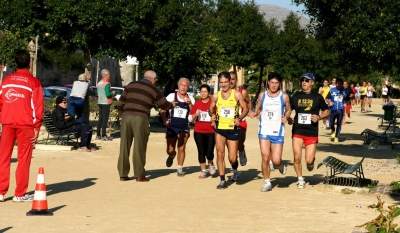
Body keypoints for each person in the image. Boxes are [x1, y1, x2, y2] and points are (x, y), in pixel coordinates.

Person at [0, 50, 44, 202]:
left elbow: (0, 102)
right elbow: (38, 106)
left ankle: (0, 192)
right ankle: (19, 194)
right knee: (23, 159)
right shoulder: (34, 82)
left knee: (3, 158)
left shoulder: (6, 81)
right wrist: (37, 128)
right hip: (26, 125)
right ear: (29, 63)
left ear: (16, 63)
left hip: (7, 123)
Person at [117, 70, 175, 182]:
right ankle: (140, 175)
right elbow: (163, 104)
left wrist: (121, 115)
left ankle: (123, 174)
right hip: (141, 117)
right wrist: (171, 105)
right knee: (139, 146)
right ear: (153, 79)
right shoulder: (153, 89)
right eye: (155, 80)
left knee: (124, 145)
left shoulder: (131, 85)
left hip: (126, 116)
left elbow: (120, 102)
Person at [248, 72, 291, 192]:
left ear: (279, 84)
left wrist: (286, 117)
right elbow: (258, 109)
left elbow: (288, 110)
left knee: (276, 160)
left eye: (276, 83)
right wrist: (254, 113)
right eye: (272, 82)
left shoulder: (284, 97)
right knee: (265, 157)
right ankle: (267, 182)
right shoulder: (262, 95)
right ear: (268, 83)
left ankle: (281, 165)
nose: (273, 85)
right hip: (264, 130)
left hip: (277, 131)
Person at [288, 73, 330, 189]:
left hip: (311, 132)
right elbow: (288, 110)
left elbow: (327, 111)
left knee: (309, 159)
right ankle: (300, 179)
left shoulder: (317, 97)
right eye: (302, 80)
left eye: (307, 80)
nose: (304, 82)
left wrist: (319, 117)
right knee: (297, 157)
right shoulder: (296, 96)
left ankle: (311, 162)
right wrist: (289, 118)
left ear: (312, 82)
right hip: (298, 130)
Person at [209, 71, 248, 189]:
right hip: (220, 128)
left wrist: (239, 118)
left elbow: (245, 109)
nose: (224, 84)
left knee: (232, 158)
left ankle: (235, 166)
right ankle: (222, 180)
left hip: (233, 128)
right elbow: (211, 109)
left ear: (230, 81)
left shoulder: (236, 95)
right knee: (220, 153)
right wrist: (213, 115)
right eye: (221, 82)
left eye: (226, 82)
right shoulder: (216, 95)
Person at [162, 78, 195, 176]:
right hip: (172, 126)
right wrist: (164, 119)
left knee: (181, 148)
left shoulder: (191, 98)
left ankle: (180, 168)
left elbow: (193, 113)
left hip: (184, 126)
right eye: (182, 85)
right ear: (178, 86)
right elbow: (163, 109)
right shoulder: (171, 96)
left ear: (188, 87)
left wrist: (189, 104)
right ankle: (171, 155)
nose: (183, 87)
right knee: (170, 149)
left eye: (185, 86)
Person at [189, 84, 216, 179]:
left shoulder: (213, 103)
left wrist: (214, 120)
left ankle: (211, 164)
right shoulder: (197, 103)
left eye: (205, 92)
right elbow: (190, 118)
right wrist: (195, 115)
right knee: (201, 151)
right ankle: (203, 171)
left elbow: (217, 115)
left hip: (210, 131)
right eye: (201, 92)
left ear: (209, 93)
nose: (203, 93)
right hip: (198, 131)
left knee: (209, 152)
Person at [229, 71, 252, 167]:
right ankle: (234, 169)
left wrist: (250, 111)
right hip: (229, 121)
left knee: (240, 142)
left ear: (236, 80)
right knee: (231, 147)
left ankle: (242, 151)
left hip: (241, 121)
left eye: (233, 79)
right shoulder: (224, 93)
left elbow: (249, 102)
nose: (230, 82)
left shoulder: (243, 92)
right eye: (229, 79)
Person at [325, 78, 352, 142]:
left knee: (339, 123)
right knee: (331, 123)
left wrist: (346, 103)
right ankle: (332, 130)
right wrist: (329, 102)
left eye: (340, 84)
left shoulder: (345, 91)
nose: (338, 85)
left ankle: (336, 137)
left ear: (342, 84)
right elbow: (326, 98)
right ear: (336, 83)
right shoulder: (332, 90)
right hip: (332, 109)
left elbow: (348, 100)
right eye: (337, 83)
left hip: (340, 109)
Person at [96, 69, 115, 140]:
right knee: (105, 119)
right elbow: (107, 94)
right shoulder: (107, 83)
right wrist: (112, 93)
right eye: (109, 74)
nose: (110, 75)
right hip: (106, 102)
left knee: (100, 119)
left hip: (100, 101)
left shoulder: (99, 82)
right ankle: (104, 135)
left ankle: (98, 135)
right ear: (106, 75)